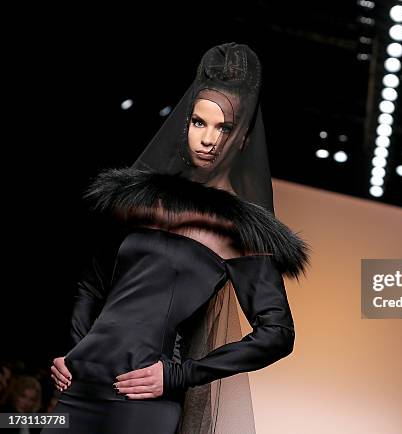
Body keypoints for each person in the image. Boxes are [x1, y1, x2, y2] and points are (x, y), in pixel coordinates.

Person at [43, 42, 309, 434]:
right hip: (76, 387)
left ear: (244, 137)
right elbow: (92, 283)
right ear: (185, 123)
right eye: (199, 123)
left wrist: (179, 376)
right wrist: (76, 350)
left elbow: (277, 333)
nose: (208, 140)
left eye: (224, 127)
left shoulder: (236, 227)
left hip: (139, 402)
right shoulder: (143, 200)